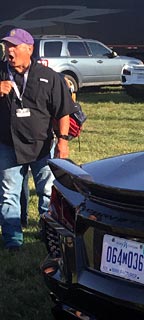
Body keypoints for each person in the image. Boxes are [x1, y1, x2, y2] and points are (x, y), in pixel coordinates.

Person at [0, 28, 76, 251]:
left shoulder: (49, 77)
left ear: (29, 49)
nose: (9, 51)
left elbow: (63, 111)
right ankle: (12, 239)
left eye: (14, 46)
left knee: (47, 191)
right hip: (8, 145)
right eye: (6, 47)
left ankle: (47, 231)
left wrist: (63, 141)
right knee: (8, 195)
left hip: (43, 145)